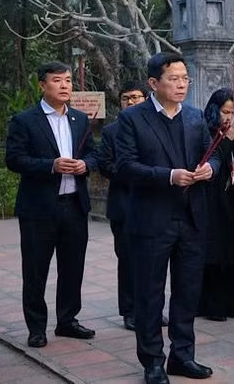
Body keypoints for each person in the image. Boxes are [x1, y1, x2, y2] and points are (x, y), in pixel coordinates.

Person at [116, 52, 219, 384]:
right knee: (150, 294)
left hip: (191, 217)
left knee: (188, 291)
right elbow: (125, 167)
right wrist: (168, 176)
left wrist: (209, 169)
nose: (181, 85)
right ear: (153, 83)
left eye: (185, 78)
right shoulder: (133, 119)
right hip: (151, 219)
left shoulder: (194, 117)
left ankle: (182, 355)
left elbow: (213, 153)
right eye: (174, 79)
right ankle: (152, 362)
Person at [5, 61, 98, 349]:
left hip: (74, 205)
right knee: (35, 270)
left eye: (68, 80)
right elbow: (14, 159)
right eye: (57, 81)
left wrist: (85, 164)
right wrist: (51, 166)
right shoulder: (25, 120)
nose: (65, 86)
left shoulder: (80, 119)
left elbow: (95, 155)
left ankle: (67, 321)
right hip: (39, 208)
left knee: (73, 267)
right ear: (43, 85)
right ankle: (36, 327)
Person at [97, 81, 153, 331]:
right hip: (125, 205)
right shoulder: (111, 131)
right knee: (128, 260)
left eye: (136, 97)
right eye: (126, 98)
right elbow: (105, 165)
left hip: (154, 203)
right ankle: (130, 311)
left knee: (154, 260)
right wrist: (136, 172)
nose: (131, 102)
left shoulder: (154, 125)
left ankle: (151, 309)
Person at [198, 88, 234, 322]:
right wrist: (228, 140)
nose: (229, 117)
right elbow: (215, 159)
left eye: (233, 112)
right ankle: (213, 305)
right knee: (215, 251)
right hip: (213, 198)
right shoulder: (206, 132)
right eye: (225, 111)